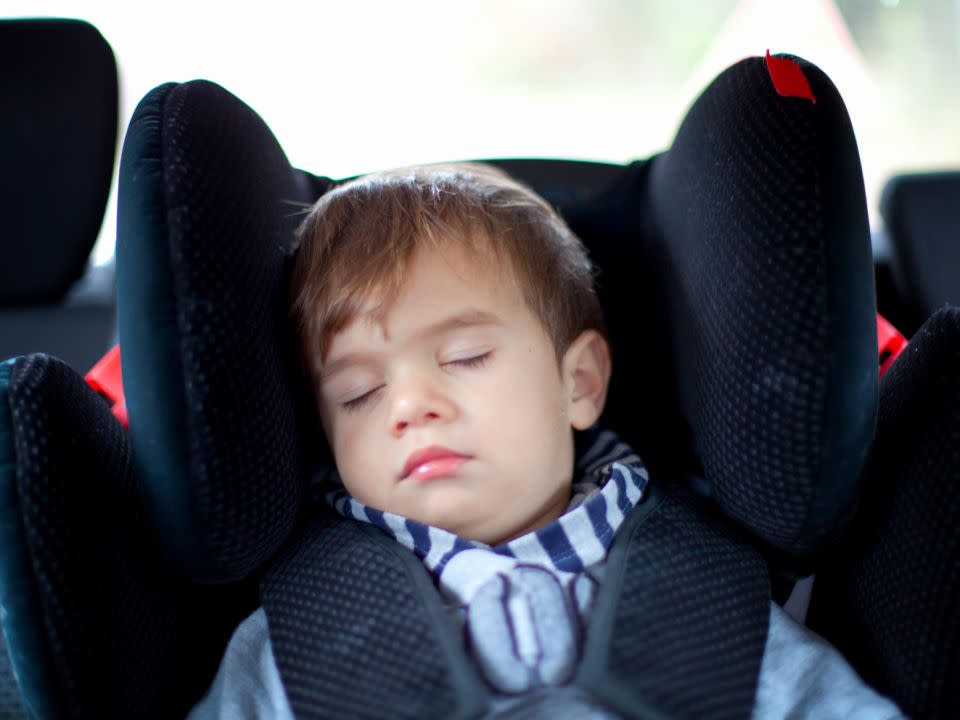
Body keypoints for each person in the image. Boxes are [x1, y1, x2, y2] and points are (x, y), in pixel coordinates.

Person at [189, 163, 903, 719]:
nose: (409, 406)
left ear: (580, 383)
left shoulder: (709, 600)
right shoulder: (298, 637)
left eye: (465, 356)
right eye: (360, 393)